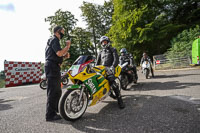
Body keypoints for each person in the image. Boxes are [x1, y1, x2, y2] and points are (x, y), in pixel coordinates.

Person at [45, 26, 71, 121]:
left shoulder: (54, 41)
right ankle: (50, 115)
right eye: (62, 31)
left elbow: (58, 56)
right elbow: (59, 53)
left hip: (54, 66)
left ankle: (55, 110)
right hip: (52, 67)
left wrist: (64, 56)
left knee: (57, 91)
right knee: (53, 91)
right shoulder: (54, 39)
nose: (63, 33)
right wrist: (67, 46)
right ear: (57, 32)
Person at [96, 36, 125, 109]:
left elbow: (116, 60)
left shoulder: (113, 49)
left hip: (110, 68)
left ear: (108, 42)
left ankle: (120, 99)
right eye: (102, 42)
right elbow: (97, 62)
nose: (104, 43)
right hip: (102, 69)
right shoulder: (100, 51)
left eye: (105, 42)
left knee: (112, 81)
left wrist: (113, 66)